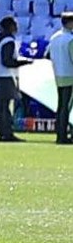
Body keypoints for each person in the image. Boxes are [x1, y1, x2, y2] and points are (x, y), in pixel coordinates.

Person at [0, 17, 31, 142]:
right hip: (8, 76)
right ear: (10, 26)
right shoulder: (9, 41)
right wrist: (23, 62)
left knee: (2, 106)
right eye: (14, 24)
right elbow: (8, 61)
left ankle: (1, 131)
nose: (16, 27)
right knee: (8, 106)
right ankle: (7, 133)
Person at [48, 17, 73, 146]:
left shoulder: (54, 37)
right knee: (66, 107)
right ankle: (63, 135)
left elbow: (47, 55)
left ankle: (60, 133)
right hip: (70, 75)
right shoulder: (70, 39)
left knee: (61, 106)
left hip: (58, 75)